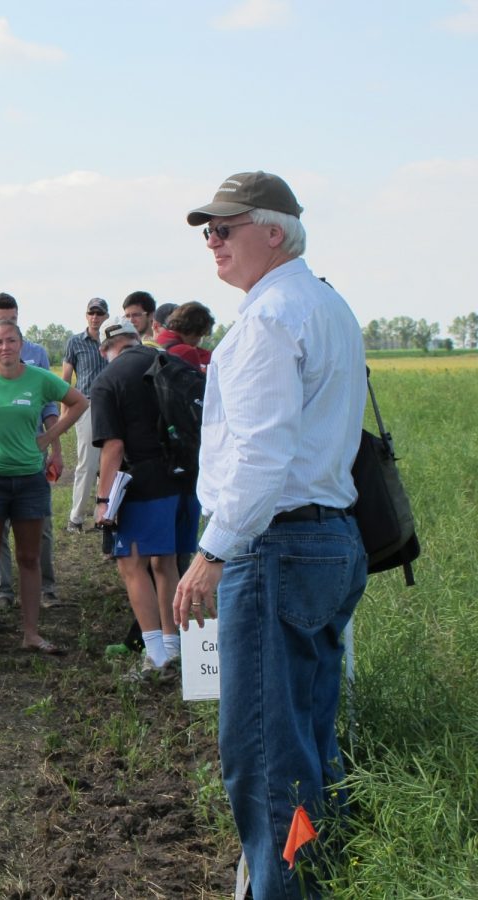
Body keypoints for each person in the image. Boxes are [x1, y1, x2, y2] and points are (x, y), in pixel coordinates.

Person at [174, 171, 367, 899]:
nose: (213, 243)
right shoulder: (326, 303)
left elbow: (259, 455)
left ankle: (287, 891)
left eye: (225, 228)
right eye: (208, 232)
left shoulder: (268, 317)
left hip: (275, 547)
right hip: (328, 540)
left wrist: (211, 553)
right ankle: (328, 880)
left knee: (264, 755)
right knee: (313, 740)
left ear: (274, 232)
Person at [0, 319, 87, 655]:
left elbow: (79, 402)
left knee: (29, 558)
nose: (5, 348)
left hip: (29, 479)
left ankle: (31, 634)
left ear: (21, 344)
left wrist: (49, 437)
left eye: (11, 341)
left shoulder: (39, 378)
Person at [91, 317, 199, 680]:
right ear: (136, 339)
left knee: (132, 564)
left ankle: (154, 654)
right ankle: (173, 647)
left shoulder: (109, 379)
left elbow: (114, 446)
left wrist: (104, 500)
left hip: (144, 484)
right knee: (166, 562)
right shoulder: (174, 363)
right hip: (188, 480)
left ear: (106, 349)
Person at [0, 292, 62, 608]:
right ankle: (4, 590)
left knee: (40, 523)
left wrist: (53, 444)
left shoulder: (36, 353)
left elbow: (49, 403)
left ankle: (46, 587)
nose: (9, 331)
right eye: (3, 319)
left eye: (15, 319)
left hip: (31, 453)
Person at [61, 297, 110, 533]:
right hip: (87, 404)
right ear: (86, 315)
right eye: (92, 313)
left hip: (112, 404)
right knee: (87, 463)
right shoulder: (75, 342)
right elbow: (66, 379)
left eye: (100, 313)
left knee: (109, 463)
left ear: (106, 317)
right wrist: (64, 414)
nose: (95, 317)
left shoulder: (112, 340)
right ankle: (76, 517)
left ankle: (103, 516)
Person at [162, 301, 215, 372]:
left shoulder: (157, 339)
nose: (198, 341)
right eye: (201, 335)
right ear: (196, 331)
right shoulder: (187, 352)